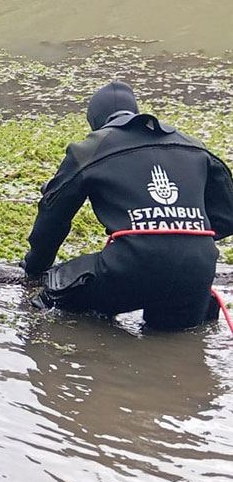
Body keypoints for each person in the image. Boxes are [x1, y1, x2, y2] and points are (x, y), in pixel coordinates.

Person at [23, 80, 233, 330]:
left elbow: (52, 215)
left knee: (53, 291)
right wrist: (179, 238)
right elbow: (227, 216)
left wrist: (35, 266)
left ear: (95, 121)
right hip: (197, 272)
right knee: (173, 341)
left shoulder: (90, 149)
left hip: (131, 266)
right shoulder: (192, 145)